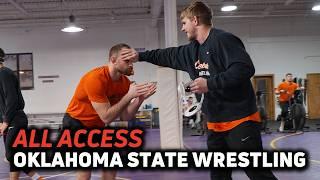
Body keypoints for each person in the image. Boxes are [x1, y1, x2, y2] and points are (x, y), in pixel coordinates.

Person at [127, 1, 278, 179]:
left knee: (257, 174)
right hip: (215, 124)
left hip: (240, 121)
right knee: (218, 176)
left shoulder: (223, 40)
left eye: (184, 23)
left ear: (195, 20)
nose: (182, 28)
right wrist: (140, 56)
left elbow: (244, 69)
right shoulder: (192, 51)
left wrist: (209, 84)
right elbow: (166, 55)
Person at [63, 43, 156, 180]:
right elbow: (107, 117)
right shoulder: (95, 79)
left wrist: (139, 100)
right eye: (126, 60)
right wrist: (129, 96)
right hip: (76, 123)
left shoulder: (124, 83)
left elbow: (125, 116)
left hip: (97, 126)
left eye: (132, 61)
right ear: (113, 60)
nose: (131, 64)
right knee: (85, 168)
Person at [0, 48, 43, 180]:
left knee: (11, 155)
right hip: (8, 120)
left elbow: (12, 100)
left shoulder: (4, 73)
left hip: (16, 119)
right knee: (14, 154)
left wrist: (5, 122)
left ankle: (37, 177)